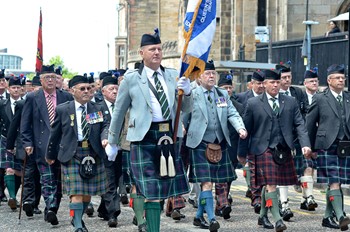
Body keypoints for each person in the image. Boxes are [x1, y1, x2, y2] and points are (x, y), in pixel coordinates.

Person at [106, 29, 192, 232]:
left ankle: (152, 225)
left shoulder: (173, 76)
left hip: (169, 137)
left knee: (162, 190)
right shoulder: (131, 78)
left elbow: (187, 108)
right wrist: (112, 141)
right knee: (151, 191)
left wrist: (187, 92)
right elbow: (119, 112)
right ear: (141, 52)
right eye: (152, 49)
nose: (157, 52)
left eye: (160, 49)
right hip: (144, 138)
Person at [238, 69, 311, 231]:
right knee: (271, 184)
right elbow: (245, 130)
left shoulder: (290, 101)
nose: (276, 85)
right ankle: (278, 219)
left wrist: (305, 144)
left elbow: (300, 124)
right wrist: (241, 154)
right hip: (261, 149)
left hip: (283, 149)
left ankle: (263, 216)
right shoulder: (254, 103)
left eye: (278, 82)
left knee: (269, 184)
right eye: (272, 82)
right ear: (264, 84)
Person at [186, 61, 247, 231]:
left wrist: (240, 127)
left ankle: (199, 216)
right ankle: (212, 218)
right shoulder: (193, 94)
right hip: (200, 143)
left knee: (212, 182)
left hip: (219, 144)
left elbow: (232, 113)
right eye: (208, 73)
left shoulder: (222, 94)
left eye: (213, 73)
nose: (211, 76)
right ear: (199, 77)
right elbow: (183, 111)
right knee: (207, 183)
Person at [46, 75, 108, 232]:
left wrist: (105, 138)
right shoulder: (63, 109)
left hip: (93, 153)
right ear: (72, 91)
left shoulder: (98, 108)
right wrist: (50, 155)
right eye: (82, 89)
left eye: (89, 88)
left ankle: (77, 218)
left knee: (87, 194)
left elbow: (105, 127)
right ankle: (79, 227)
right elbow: (55, 134)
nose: (87, 91)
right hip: (72, 153)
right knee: (76, 192)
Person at [21, 64, 73, 225]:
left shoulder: (66, 97)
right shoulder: (32, 98)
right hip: (42, 145)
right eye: (47, 78)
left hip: (63, 145)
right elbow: (25, 124)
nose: (50, 80)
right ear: (41, 80)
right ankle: (50, 208)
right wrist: (27, 142)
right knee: (47, 179)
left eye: (53, 77)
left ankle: (53, 207)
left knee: (58, 181)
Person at [306, 64, 350, 230]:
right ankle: (340, 216)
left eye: (342, 78)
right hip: (326, 145)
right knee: (334, 182)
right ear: (329, 80)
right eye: (337, 78)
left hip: (345, 145)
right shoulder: (319, 98)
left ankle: (326, 217)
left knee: (338, 182)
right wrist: (309, 147)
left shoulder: (348, 97)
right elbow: (309, 125)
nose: (341, 80)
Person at [275, 61, 308, 221]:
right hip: (280, 140)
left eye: (289, 77)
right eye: (284, 77)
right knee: (280, 174)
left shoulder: (298, 93)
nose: (287, 80)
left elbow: (303, 115)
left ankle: (306, 197)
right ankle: (284, 204)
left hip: (296, 138)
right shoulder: (274, 94)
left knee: (301, 169)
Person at [236, 70, 265, 214]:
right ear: (251, 84)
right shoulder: (242, 98)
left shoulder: (270, 98)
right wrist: (241, 151)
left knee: (263, 173)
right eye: (258, 83)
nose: (261, 86)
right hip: (248, 141)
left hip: (265, 142)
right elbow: (242, 125)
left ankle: (262, 198)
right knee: (253, 171)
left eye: (262, 83)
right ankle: (256, 198)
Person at [96, 74, 122, 227]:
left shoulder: (123, 105)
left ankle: (103, 209)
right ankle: (113, 213)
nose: (114, 92)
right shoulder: (97, 107)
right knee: (109, 182)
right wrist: (103, 140)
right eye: (111, 89)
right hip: (104, 151)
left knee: (117, 180)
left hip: (121, 150)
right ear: (103, 91)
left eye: (116, 89)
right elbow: (94, 130)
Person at [0, 76, 25, 210]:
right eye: (13, 87)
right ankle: (12, 198)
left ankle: (21, 197)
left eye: (18, 88)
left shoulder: (27, 103)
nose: (16, 90)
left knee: (23, 171)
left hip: (22, 140)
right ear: (8, 89)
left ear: (22, 89)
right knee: (8, 169)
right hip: (5, 139)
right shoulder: (1, 104)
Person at [296, 69, 319, 211]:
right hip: (302, 139)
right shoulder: (299, 98)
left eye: (316, 81)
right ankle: (309, 197)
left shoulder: (322, 98)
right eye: (311, 81)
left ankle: (305, 199)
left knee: (311, 170)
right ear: (305, 83)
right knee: (307, 168)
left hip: (317, 140)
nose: (315, 83)